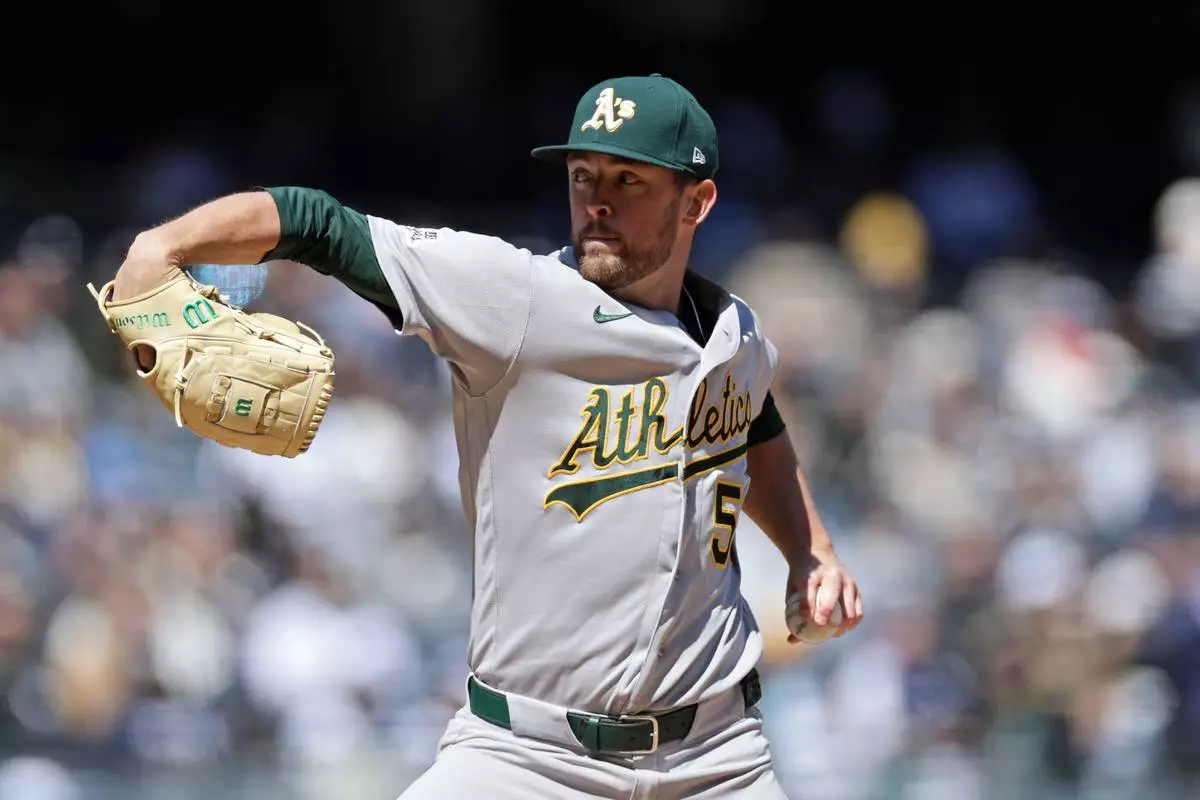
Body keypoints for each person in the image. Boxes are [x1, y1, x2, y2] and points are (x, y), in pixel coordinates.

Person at [110, 73, 864, 799]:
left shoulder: (735, 333)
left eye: (628, 180)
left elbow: (752, 419)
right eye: (582, 176)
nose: (596, 200)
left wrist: (813, 551)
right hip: (529, 757)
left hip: (718, 758)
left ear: (696, 201)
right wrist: (162, 246)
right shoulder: (515, 298)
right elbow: (318, 222)